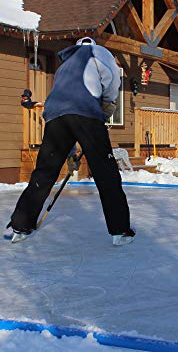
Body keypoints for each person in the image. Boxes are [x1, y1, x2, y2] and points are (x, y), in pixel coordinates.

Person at [7, 37, 135, 245]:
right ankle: (120, 230)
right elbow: (112, 78)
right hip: (86, 114)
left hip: (55, 116)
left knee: (45, 171)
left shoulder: (64, 65)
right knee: (106, 172)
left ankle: (21, 225)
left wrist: (70, 153)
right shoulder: (98, 52)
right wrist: (108, 103)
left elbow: (66, 107)